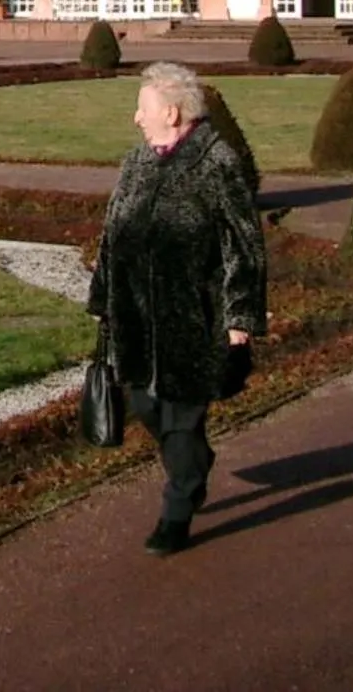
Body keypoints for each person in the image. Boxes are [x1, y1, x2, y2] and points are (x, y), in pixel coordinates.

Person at [86, 61, 267, 557]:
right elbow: (111, 235)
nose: (135, 118)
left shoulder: (217, 162)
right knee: (146, 406)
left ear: (170, 111)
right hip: (136, 319)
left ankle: (177, 509)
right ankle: (193, 464)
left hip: (194, 318)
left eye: (142, 108)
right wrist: (103, 300)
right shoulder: (137, 161)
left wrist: (239, 322)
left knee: (183, 418)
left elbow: (243, 246)